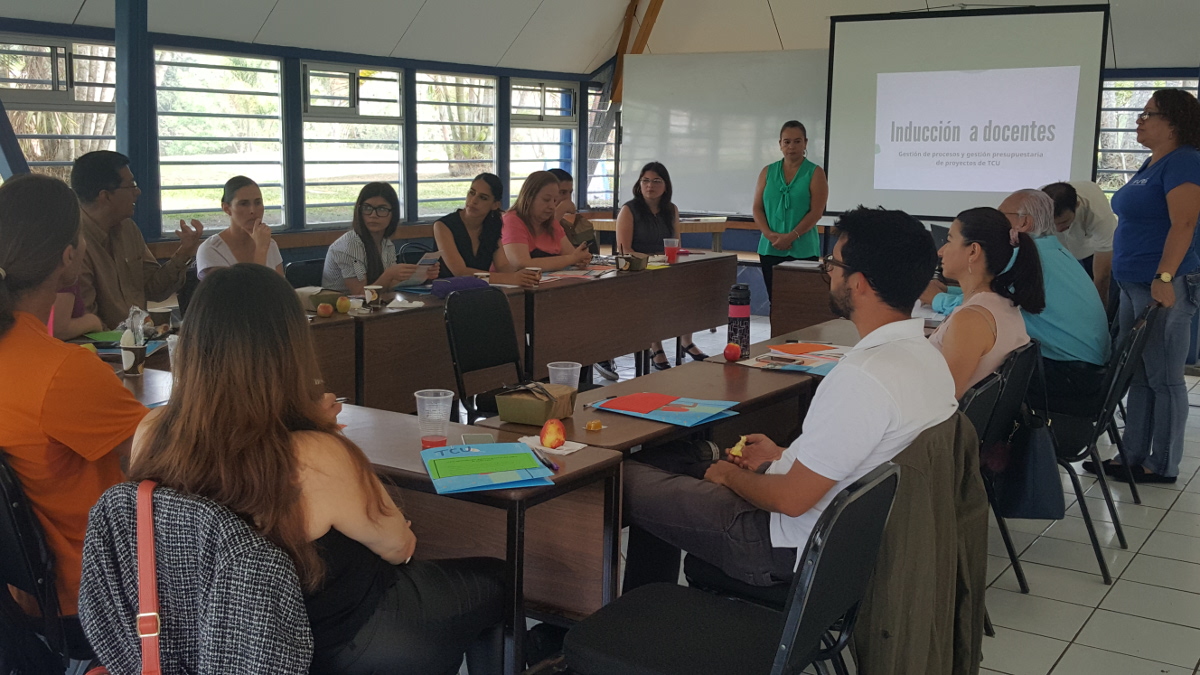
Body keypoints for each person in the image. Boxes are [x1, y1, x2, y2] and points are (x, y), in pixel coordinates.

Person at [129, 263, 504, 674]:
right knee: (497, 579)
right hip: (339, 640)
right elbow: (400, 547)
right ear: (289, 349)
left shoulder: (151, 432)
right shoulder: (311, 454)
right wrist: (323, 432)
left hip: (211, 636)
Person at [622, 206, 957, 590]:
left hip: (778, 543)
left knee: (625, 476)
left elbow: (792, 500)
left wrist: (729, 475)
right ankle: (646, 607)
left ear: (859, 283)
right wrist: (783, 456)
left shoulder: (862, 378)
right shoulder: (927, 357)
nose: (828, 272)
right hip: (842, 540)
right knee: (664, 461)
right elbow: (858, 456)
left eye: (833, 264)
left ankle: (611, 624)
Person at [0, 174, 147, 617]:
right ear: (68, 257)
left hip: (23, 593)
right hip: (97, 590)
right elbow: (171, 450)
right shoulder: (62, 371)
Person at [1089, 88, 1200, 484]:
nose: (1139, 120)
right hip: (1133, 284)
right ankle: (1131, 454)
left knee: (1166, 377)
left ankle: (1163, 463)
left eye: (1147, 114)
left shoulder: (1186, 161)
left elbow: (1183, 223)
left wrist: (1165, 276)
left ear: (1173, 122)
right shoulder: (1152, 164)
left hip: (1166, 284)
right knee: (1136, 373)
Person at [928, 191, 1111, 413]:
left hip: (1071, 375)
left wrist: (935, 298)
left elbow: (986, 301)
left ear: (1024, 222)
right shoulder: (1051, 251)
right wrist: (951, 289)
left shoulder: (1030, 260)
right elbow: (988, 291)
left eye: (1001, 214)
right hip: (1088, 369)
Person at [72, 150, 202, 330]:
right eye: (131, 186)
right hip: (103, 349)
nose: (138, 192)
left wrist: (184, 252)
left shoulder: (128, 229)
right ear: (105, 196)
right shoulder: (74, 242)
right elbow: (88, 322)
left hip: (141, 341)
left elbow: (154, 289)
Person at [927, 207, 1043, 398]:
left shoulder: (972, 320)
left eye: (949, 241)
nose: (941, 251)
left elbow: (943, 400)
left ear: (973, 251)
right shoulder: (1002, 303)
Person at [616, 161, 708, 370]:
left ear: (666, 185)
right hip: (639, 271)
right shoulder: (629, 210)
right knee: (654, 295)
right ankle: (655, 347)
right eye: (645, 181)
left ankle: (687, 342)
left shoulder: (671, 209)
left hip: (665, 267)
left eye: (656, 181)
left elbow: (676, 243)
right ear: (639, 184)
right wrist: (652, 260)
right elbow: (624, 250)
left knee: (691, 289)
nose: (650, 185)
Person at [752, 120, 829, 301]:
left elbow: (816, 212)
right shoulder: (767, 171)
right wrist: (770, 235)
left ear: (805, 143)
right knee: (776, 302)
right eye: (786, 142)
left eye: (797, 141)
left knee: (799, 304)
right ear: (780, 144)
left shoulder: (815, 172)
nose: (791, 146)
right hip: (770, 248)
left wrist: (791, 236)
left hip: (803, 248)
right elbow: (757, 208)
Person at [323, 182, 439, 294]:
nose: (373, 215)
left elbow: (389, 286)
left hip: (374, 309)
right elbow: (360, 295)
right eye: (367, 208)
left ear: (393, 214)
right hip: (341, 310)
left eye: (382, 209)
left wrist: (423, 275)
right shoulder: (349, 245)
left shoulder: (386, 243)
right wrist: (389, 274)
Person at [432, 173, 538, 288]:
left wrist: (523, 275)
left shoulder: (493, 225)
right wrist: (510, 278)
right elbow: (459, 271)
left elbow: (502, 265)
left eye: (483, 198)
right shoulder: (443, 226)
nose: (473, 200)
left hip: (480, 291)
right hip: (445, 294)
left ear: (495, 205)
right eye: (472, 193)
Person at [501, 171, 592, 273]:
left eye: (554, 201)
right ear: (529, 199)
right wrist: (572, 259)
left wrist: (581, 258)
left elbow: (572, 254)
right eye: (546, 200)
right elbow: (521, 264)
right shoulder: (511, 221)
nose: (552, 207)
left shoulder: (552, 223)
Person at [1042, 180, 1117, 304]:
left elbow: (1102, 276)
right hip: (1058, 251)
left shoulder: (1098, 214)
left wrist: (1099, 313)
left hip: (1092, 251)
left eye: (1063, 222)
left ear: (1077, 206)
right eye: (1053, 224)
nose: (1058, 229)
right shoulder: (1034, 208)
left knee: (1102, 290)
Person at [196, 176, 284, 280]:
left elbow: (282, 293)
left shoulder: (270, 244)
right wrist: (260, 250)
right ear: (227, 209)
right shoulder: (212, 250)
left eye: (258, 202)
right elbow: (246, 294)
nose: (253, 210)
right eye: (243, 204)